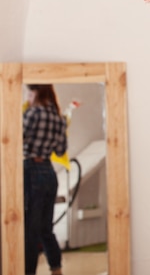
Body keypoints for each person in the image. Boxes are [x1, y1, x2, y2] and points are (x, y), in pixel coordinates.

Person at [23, 84, 67, 275]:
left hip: (31, 170)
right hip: (49, 173)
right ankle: (56, 269)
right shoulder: (59, 119)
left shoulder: (32, 114)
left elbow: (12, 138)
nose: (28, 97)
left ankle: (28, 271)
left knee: (30, 230)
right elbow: (60, 150)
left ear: (36, 92)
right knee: (45, 228)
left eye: (29, 93)